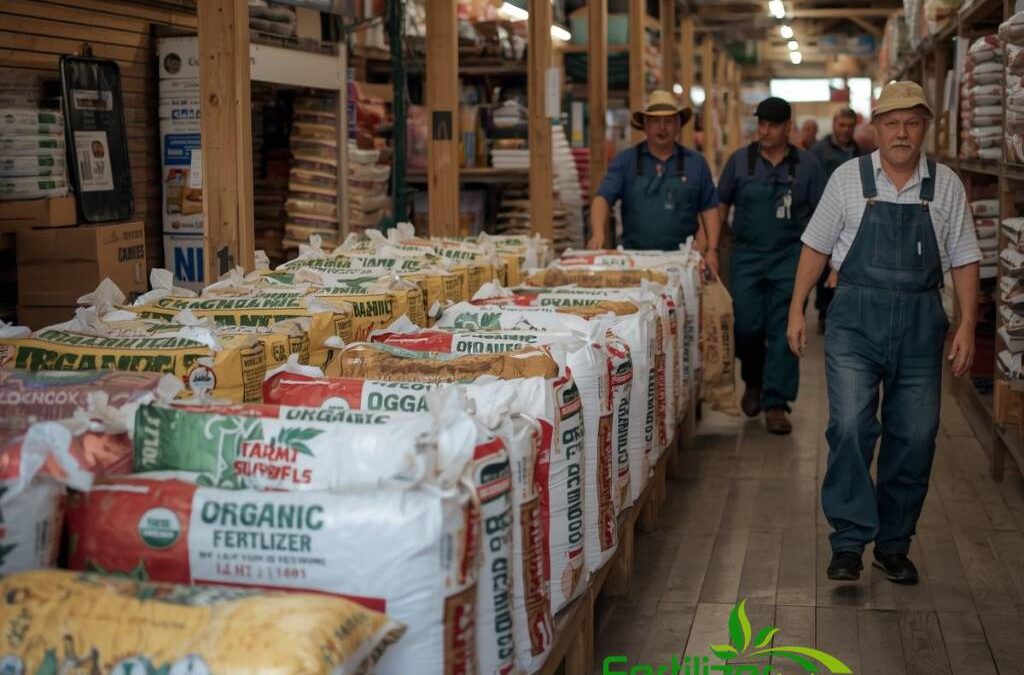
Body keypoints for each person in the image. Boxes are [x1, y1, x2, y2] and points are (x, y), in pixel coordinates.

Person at [786, 81, 980, 584]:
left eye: (912, 123)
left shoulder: (948, 185)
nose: (901, 133)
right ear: (876, 128)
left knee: (915, 436)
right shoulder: (847, 179)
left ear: (924, 128)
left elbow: (964, 259)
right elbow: (815, 247)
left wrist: (967, 325)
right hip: (854, 322)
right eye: (892, 123)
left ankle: (894, 544)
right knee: (850, 426)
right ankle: (849, 541)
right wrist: (796, 309)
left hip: (921, 326)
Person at [718, 97, 825, 435]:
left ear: (787, 128)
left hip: (789, 257)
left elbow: (824, 215)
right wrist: (715, 248)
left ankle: (776, 403)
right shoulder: (740, 162)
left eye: (772, 125)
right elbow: (719, 206)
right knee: (746, 326)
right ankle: (754, 380)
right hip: (747, 255)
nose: (764, 131)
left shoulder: (807, 166)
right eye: (761, 123)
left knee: (784, 329)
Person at [588, 90, 722, 271]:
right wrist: (597, 234)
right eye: (655, 121)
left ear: (678, 125)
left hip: (682, 263)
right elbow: (602, 198)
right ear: (644, 125)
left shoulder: (695, 163)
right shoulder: (625, 161)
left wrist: (712, 250)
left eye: (668, 121)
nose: (662, 127)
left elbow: (709, 208)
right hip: (635, 263)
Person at [809, 108, 863, 332]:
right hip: (826, 215)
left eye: (850, 126)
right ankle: (824, 311)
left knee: (849, 261)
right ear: (833, 124)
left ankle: (848, 310)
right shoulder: (818, 152)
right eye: (842, 125)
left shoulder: (861, 152)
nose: (846, 130)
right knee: (825, 265)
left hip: (854, 215)